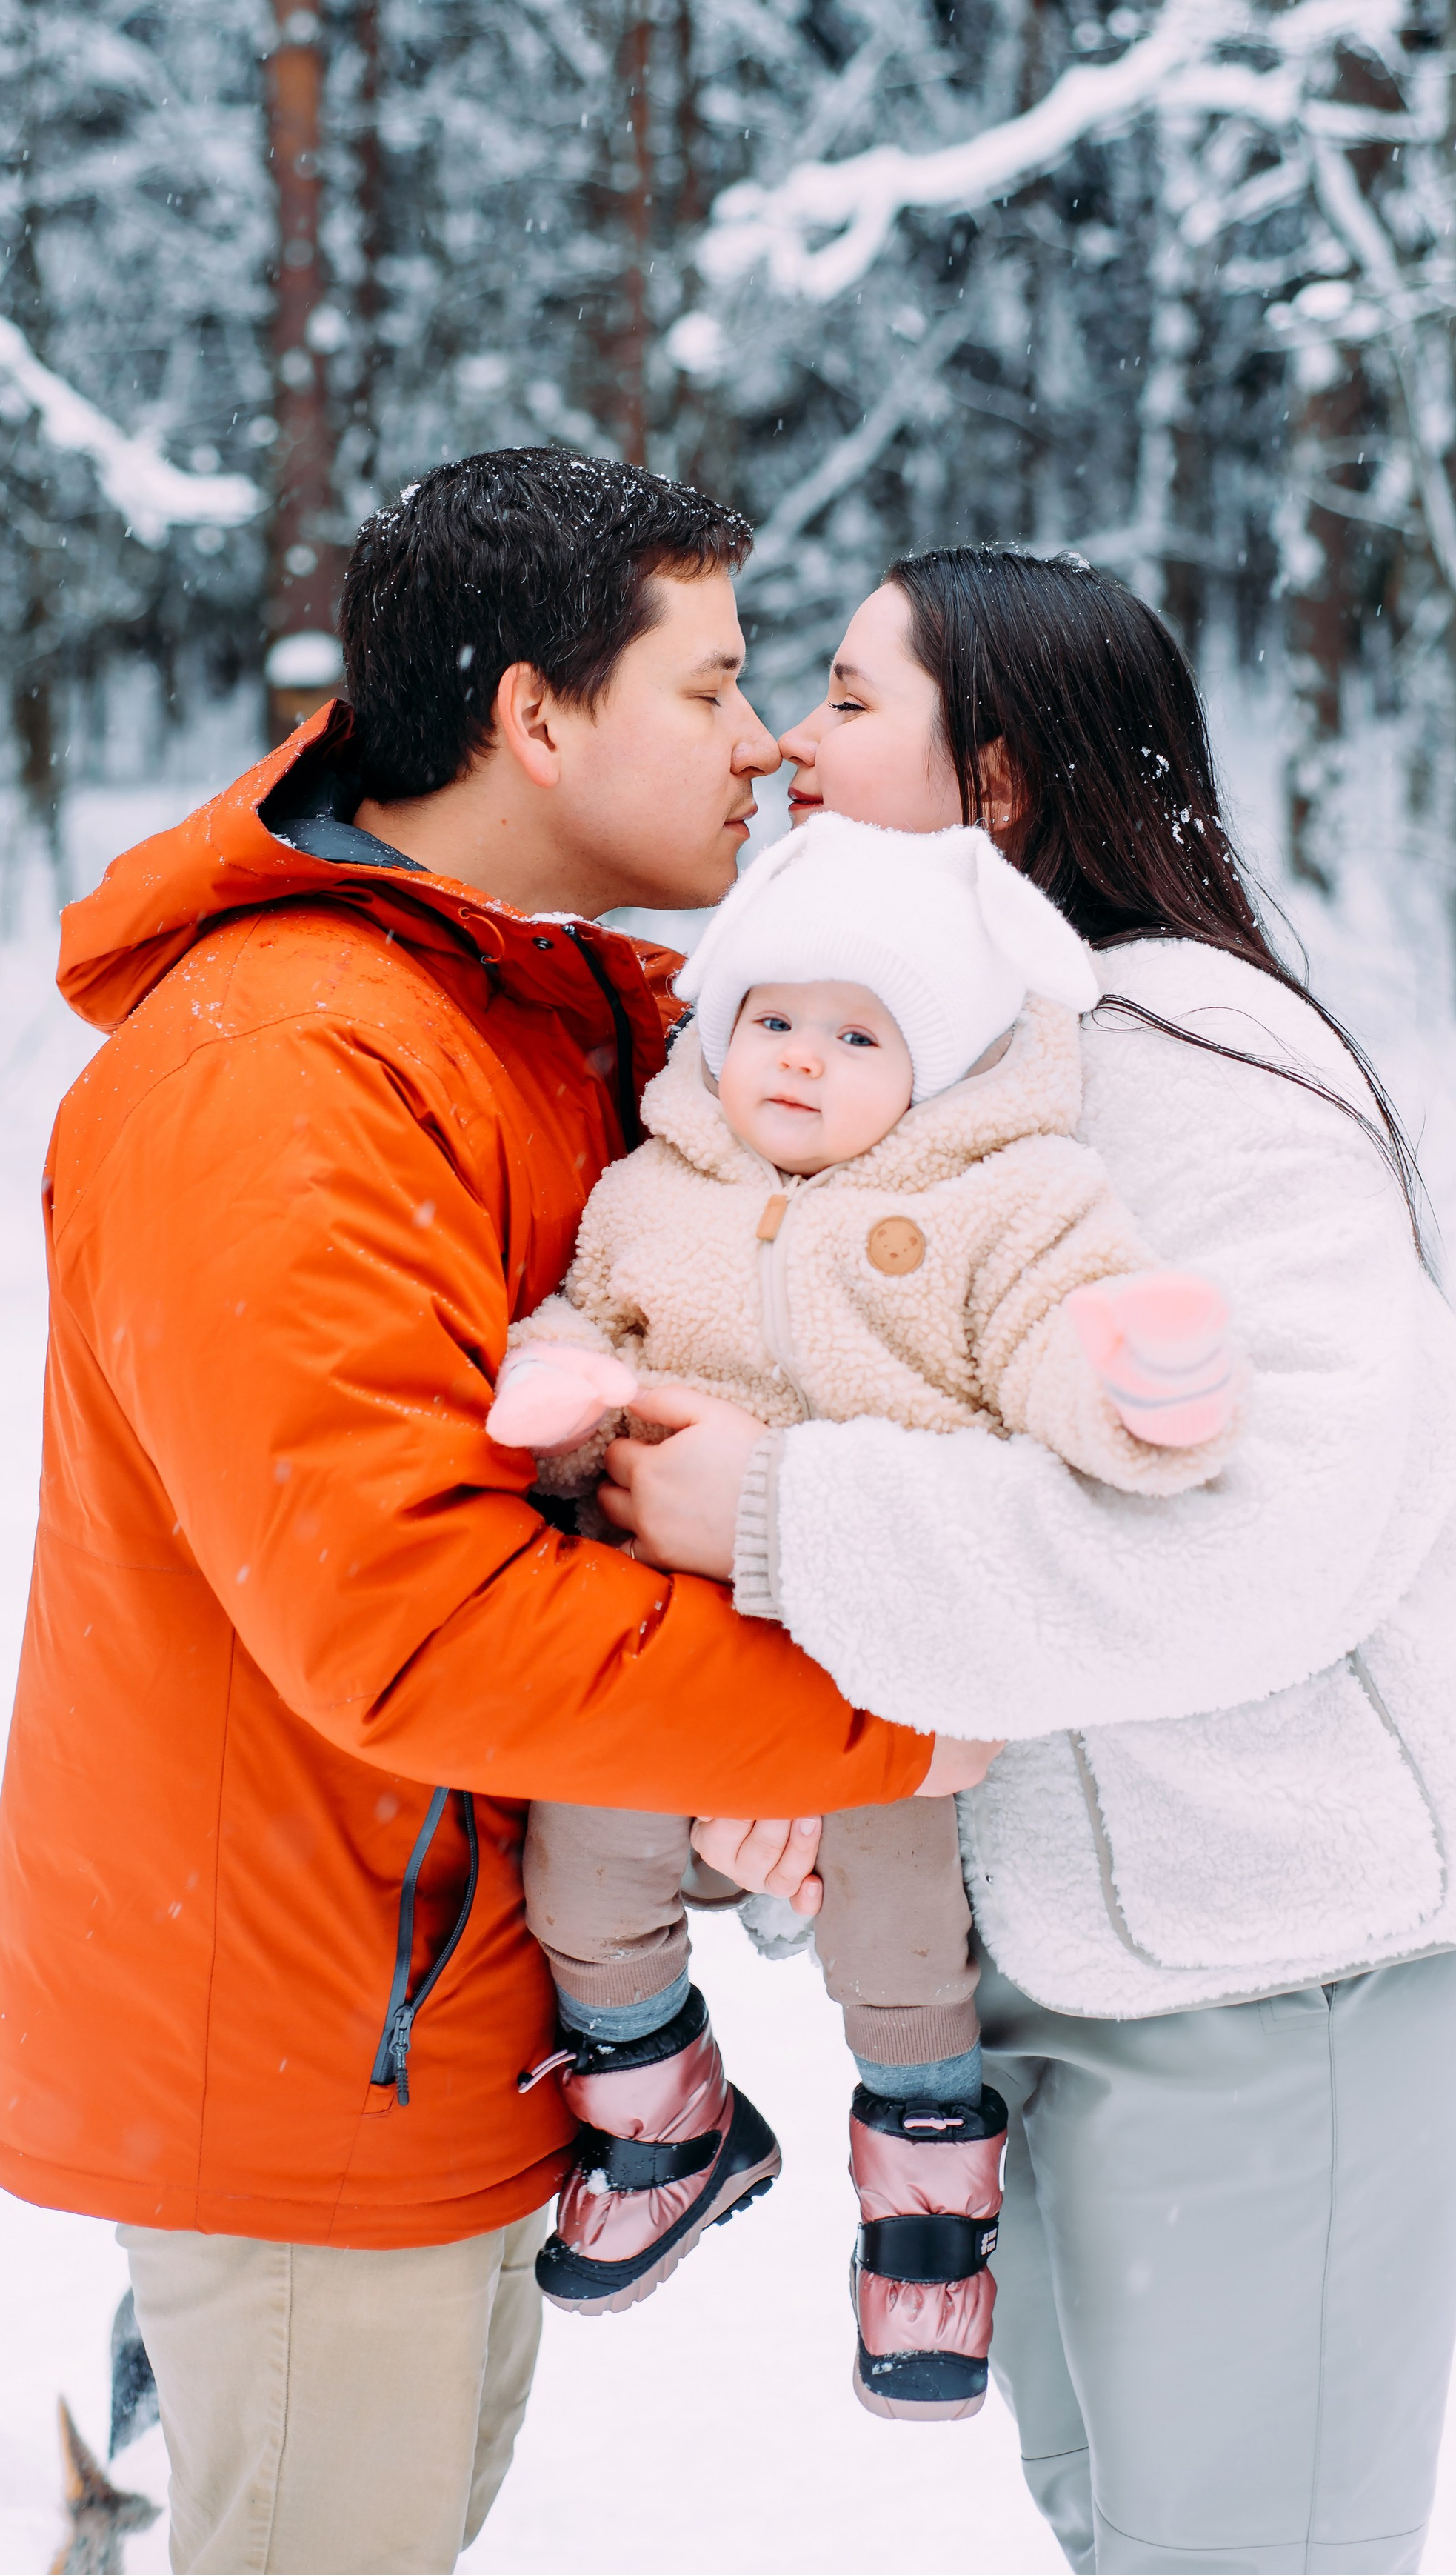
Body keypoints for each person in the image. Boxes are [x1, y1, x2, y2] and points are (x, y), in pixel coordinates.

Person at [0, 450, 988, 2575]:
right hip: (305, 2039)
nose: (766, 742)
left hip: (422, 2011)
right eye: (712, 688)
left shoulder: (498, 1013)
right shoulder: (285, 1065)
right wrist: (881, 1724)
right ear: (537, 719)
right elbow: (408, 1616)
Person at [603, 550, 1456, 2575]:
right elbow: (902, 1416)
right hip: (1053, 1947)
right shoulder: (894, 1063)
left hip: (1276, 1958)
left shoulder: (1192, 1052)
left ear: (1003, 783)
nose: (788, 733)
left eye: (853, 699)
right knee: (1135, 2522)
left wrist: (781, 1516)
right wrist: (787, 1746)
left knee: (1246, 2545)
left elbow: (1267, 1535)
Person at [492, 811, 1239, 2421]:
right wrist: (564, 1394)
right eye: (771, 1018)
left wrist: (1131, 1383)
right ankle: (656, 2105)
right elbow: (580, 1318)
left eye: (856, 1034)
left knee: (901, 1937)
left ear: (946, 1061)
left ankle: (922, 2220)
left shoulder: (997, 1201)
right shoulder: (655, 1184)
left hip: (885, 1657)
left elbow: (1054, 1330)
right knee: (579, 1851)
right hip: (662, 1645)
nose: (802, 1061)